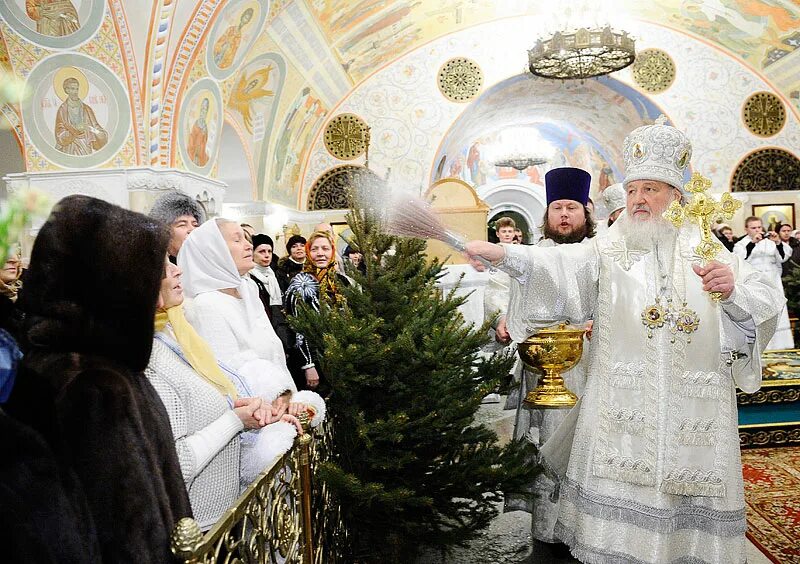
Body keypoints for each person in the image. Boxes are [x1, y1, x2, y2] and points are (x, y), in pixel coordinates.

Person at [464, 119, 784, 564]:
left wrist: (733, 291)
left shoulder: (708, 248)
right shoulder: (609, 248)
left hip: (692, 412)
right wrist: (504, 254)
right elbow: (560, 266)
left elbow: (765, 304)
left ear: (675, 196)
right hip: (622, 409)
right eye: (632, 191)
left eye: (649, 189)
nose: (637, 200)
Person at [6, 195, 193, 562]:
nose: (166, 275)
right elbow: (130, 534)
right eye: (149, 269)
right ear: (113, 282)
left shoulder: (90, 365)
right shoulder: (93, 385)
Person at [148, 257, 305, 516]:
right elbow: (176, 462)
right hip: (199, 525)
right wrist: (235, 420)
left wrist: (251, 406)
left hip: (223, 510)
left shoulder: (174, 330)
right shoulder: (150, 357)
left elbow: (213, 389)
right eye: (164, 265)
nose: (178, 269)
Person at [500, 167, 595, 550]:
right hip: (541, 365)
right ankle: (549, 529)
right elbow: (512, 303)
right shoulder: (533, 255)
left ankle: (587, 525)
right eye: (557, 207)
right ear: (547, 215)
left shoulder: (601, 254)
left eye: (571, 207)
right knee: (547, 438)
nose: (564, 215)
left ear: (586, 213)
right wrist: (504, 321)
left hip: (590, 361)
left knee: (585, 440)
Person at [177, 219, 325, 465]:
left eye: (246, 238)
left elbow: (271, 352)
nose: (248, 245)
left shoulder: (248, 289)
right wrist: (277, 399)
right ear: (214, 252)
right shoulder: (206, 304)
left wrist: (286, 396)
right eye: (237, 240)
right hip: (256, 427)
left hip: (281, 411)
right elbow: (232, 373)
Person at [284, 231, 351, 393]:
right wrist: (308, 365)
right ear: (308, 252)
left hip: (340, 357)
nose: (320, 253)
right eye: (315, 249)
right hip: (314, 360)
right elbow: (297, 328)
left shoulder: (340, 281)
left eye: (325, 248)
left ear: (333, 251)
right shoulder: (301, 283)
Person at [734, 217, 793, 349]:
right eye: (753, 228)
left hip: (773, 283)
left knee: (777, 312)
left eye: (759, 227)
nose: (757, 230)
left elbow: (784, 257)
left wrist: (778, 242)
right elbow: (738, 260)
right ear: (746, 229)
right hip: (754, 285)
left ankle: (780, 347)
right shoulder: (741, 244)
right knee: (758, 314)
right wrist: (752, 244)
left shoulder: (770, 242)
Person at [249, 234, 290, 349]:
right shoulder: (250, 278)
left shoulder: (276, 275)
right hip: (264, 332)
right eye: (261, 251)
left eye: (269, 251)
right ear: (252, 254)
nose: (267, 255)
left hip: (281, 328)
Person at [54, 77, 108, 156]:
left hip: (85, 143)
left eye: (77, 89)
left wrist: (99, 133)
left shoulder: (86, 109)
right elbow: (60, 133)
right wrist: (75, 130)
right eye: (72, 89)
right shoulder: (62, 110)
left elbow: (95, 127)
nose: (75, 92)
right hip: (69, 145)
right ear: (67, 90)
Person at [149, 190, 207, 262]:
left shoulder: (204, 263)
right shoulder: (151, 265)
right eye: (182, 225)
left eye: (195, 225)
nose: (191, 230)